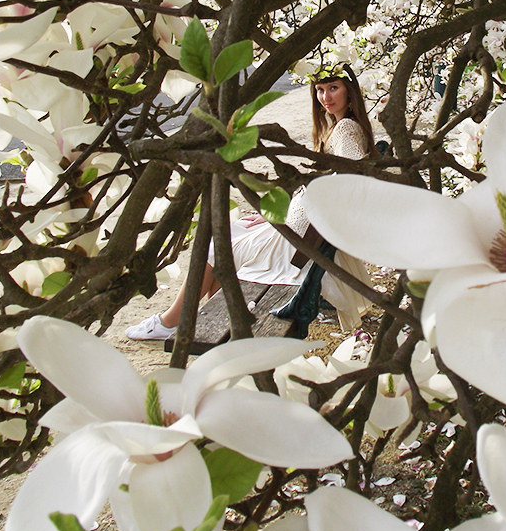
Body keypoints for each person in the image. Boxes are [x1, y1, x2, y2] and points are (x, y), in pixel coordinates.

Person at [126, 65, 376, 341]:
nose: (325, 97)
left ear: (349, 92)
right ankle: (210, 323)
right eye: (319, 89)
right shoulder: (338, 127)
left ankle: (171, 321)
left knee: (217, 246)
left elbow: (352, 179)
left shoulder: (346, 129)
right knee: (233, 233)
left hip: (301, 244)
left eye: (333, 88)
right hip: (298, 230)